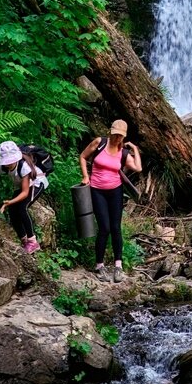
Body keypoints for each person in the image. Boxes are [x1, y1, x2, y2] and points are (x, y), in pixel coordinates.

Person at [79, 120, 142, 283]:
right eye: (115, 134)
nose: (117, 138)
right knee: (104, 228)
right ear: (110, 132)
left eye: (120, 136)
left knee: (115, 228)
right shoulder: (99, 143)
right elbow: (83, 157)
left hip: (115, 191)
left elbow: (138, 168)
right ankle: (99, 266)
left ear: (123, 136)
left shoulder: (124, 154)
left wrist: (134, 149)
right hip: (97, 190)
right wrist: (86, 176)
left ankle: (118, 266)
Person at [0, 141, 49, 253]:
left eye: (11, 161)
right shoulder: (3, 167)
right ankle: (24, 240)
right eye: (7, 161)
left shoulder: (24, 167)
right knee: (12, 211)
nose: (9, 164)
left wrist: (10, 201)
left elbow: (25, 193)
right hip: (22, 186)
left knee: (22, 208)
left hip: (37, 183)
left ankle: (32, 242)